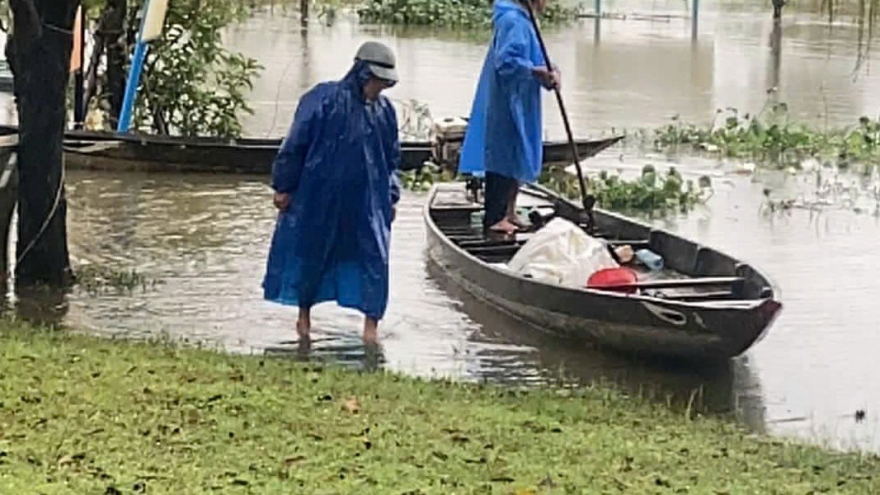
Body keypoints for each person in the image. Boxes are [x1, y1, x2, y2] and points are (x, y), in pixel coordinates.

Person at [262, 41, 402, 346]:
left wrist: (391, 196)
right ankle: (304, 321)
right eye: (377, 80)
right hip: (318, 196)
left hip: (368, 202)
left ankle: (371, 330)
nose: (380, 87)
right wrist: (284, 186)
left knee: (373, 260)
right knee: (312, 253)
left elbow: (391, 159)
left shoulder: (385, 111)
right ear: (362, 73)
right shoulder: (322, 100)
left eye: (384, 82)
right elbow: (295, 145)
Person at [458, 0, 561, 235]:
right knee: (504, 155)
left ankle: (510, 211)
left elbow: (536, 57)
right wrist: (537, 72)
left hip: (523, 100)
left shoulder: (526, 20)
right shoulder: (512, 20)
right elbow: (506, 63)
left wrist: (552, 71)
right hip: (507, 100)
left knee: (517, 155)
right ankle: (495, 217)